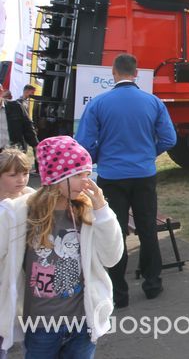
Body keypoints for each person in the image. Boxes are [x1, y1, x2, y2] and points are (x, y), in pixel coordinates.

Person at [0, 136, 123, 358]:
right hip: (41, 326)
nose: (86, 182)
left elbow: (111, 258)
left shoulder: (87, 213)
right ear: (57, 178)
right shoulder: (20, 214)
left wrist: (103, 211)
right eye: (78, 175)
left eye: (87, 174)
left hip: (82, 324)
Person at [75, 53, 176, 308]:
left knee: (115, 232)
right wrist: (147, 154)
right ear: (136, 72)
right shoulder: (153, 102)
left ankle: (118, 292)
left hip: (111, 176)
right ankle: (153, 284)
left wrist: (101, 155)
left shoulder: (98, 103)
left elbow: (84, 144)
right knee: (147, 229)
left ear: (114, 72)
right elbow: (169, 138)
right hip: (144, 174)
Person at [0, 149, 34, 359]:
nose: (20, 180)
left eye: (25, 173)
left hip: (26, 278)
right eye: (12, 175)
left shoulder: (32, 199)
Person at [0, 85, 38, 153]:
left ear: (1, 92)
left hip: (14, 152)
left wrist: (35, 146)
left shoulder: (15, 106)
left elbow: (28, 127)